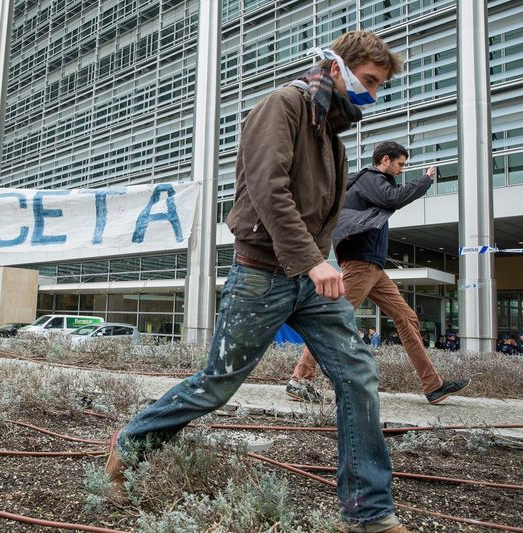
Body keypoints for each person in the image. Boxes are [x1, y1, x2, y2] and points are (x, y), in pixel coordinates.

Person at [107, 31, 411, 533]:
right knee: (216, 385)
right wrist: (313, 261)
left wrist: (319, 261)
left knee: (358, 376)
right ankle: (129, 443)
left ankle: (369, 514)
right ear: (339, 68)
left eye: (379, 87)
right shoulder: (284, 105)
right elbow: (269, 190)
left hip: (310, 278)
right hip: (262, 272)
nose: (373, 95)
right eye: (370, 81)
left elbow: (320, 214)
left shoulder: (330, 136)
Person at [285, 141, 470, 406]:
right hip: (360, 265)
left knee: (407, 318)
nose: (401, 170)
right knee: (330, 321)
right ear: (385, 160)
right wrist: (425, 181)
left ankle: (434, 386)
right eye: (400, 164)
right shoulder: (372, 179)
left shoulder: (368, 183)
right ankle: (300, 379)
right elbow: (393, 198)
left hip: (374, 269)